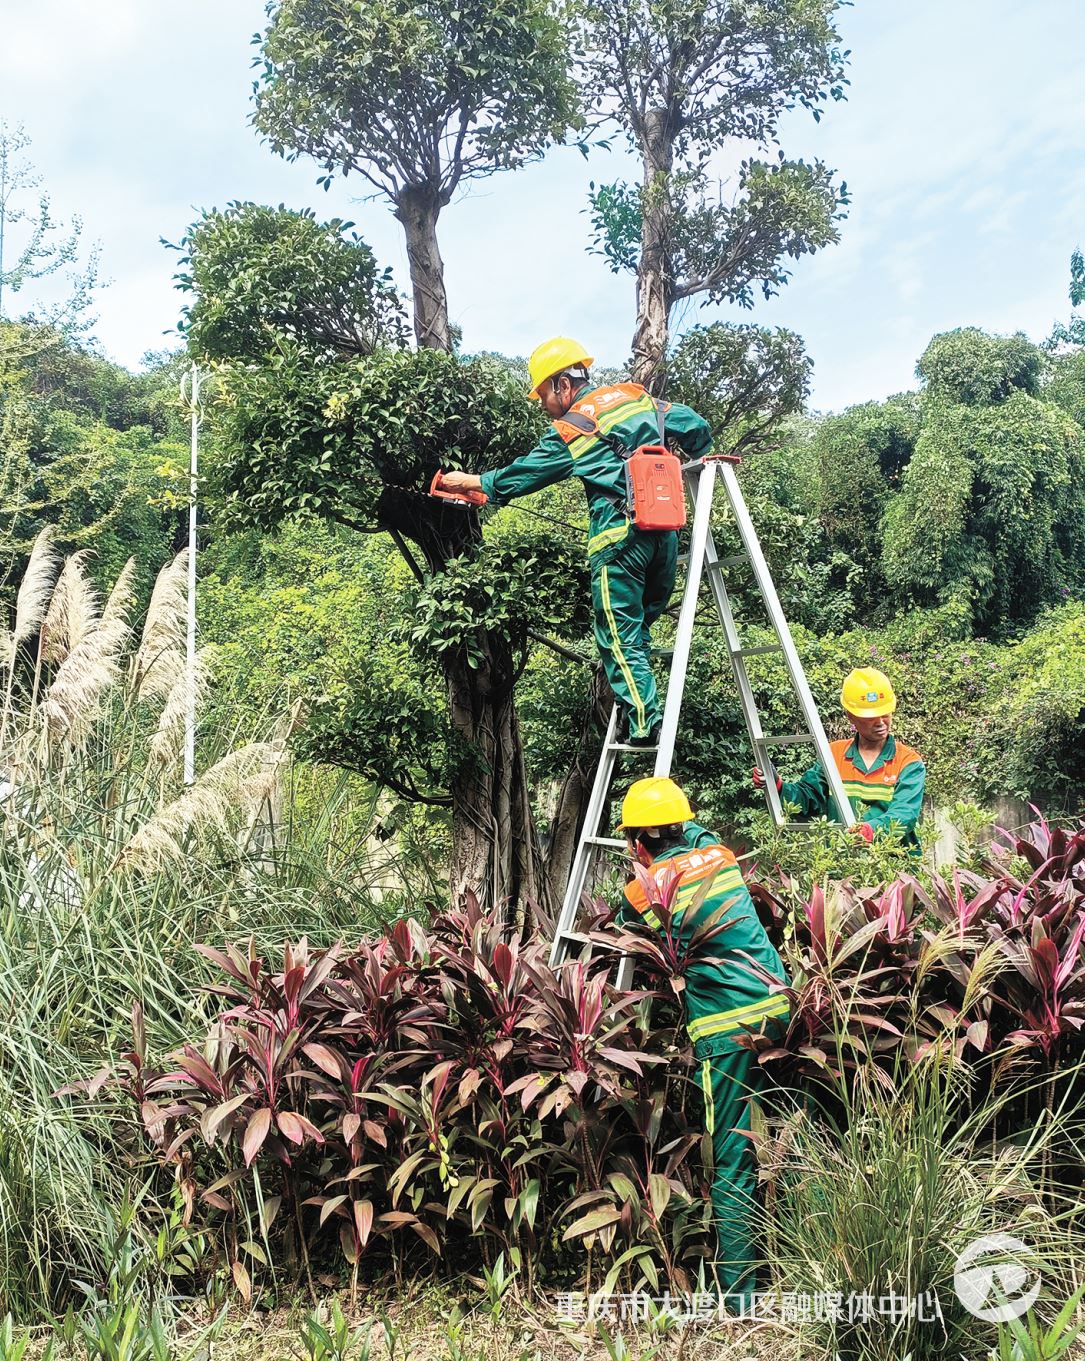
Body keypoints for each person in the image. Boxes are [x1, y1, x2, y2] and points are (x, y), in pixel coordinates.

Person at [438, 338, 712, 746]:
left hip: (618, 542)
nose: (544, 404)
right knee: (638, 631)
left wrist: (474, 483)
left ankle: (642, 722)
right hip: (666, 539)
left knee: (617, 634)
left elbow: (529, 471)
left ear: (563, 384)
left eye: (544, 394)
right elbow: (695, 426)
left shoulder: (574, 425)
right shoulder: (636, 398)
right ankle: (643, 701)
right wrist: (697, 460)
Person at [616, 776, 789, 1305]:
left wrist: (642, 867)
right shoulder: (720, 855)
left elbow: (627, 926)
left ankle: (739, 1295)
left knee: (733, 1154)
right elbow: (692, 831)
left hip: (725, 1029)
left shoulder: (642, 891)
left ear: (639, 843)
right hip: (780, 1005)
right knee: (796, 1130)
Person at [754, 666, 926, 850]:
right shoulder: (834, 755)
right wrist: (778, 786)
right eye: (871, 717)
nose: (880, 722)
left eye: (885, 714)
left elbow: (905, 814)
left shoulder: (908, 762)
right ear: (850, 716)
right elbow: (809, 798)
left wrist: (869, 831)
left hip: (894, 869)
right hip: (843, 867)